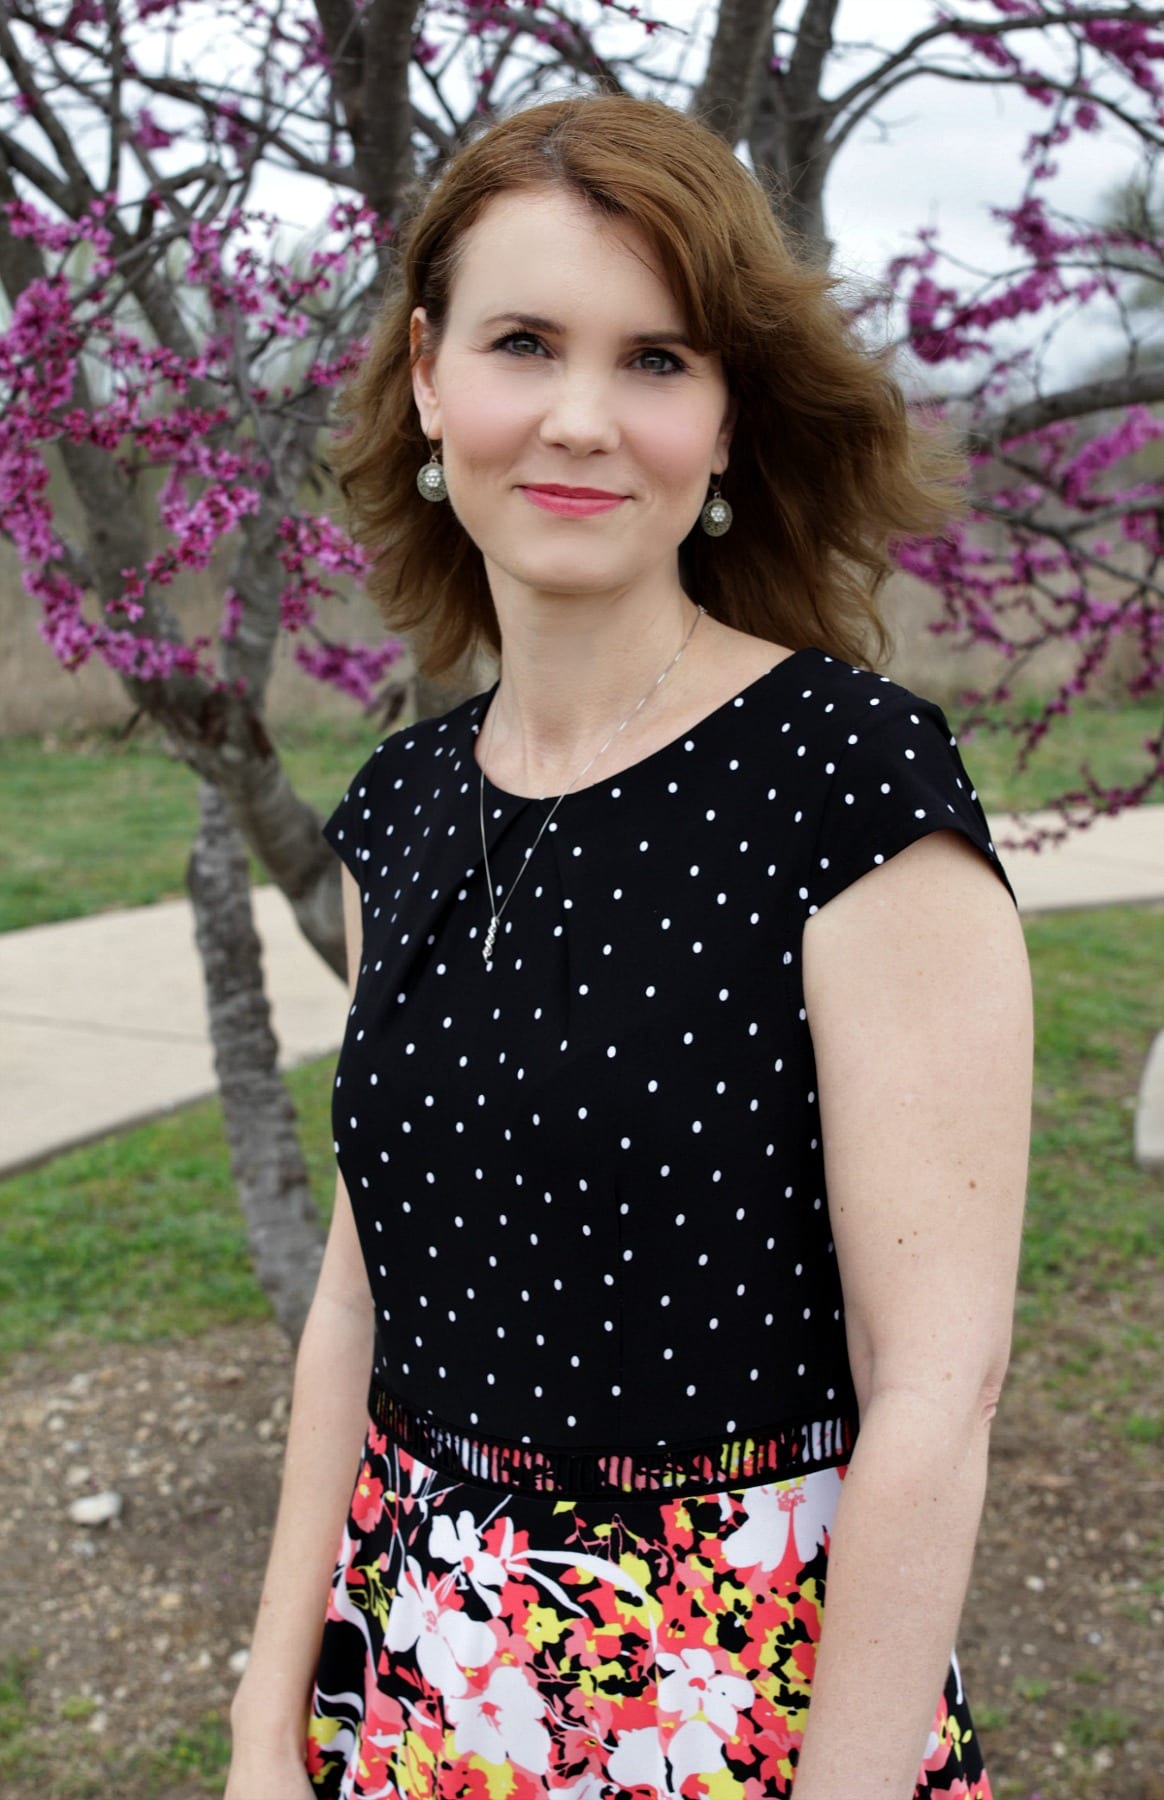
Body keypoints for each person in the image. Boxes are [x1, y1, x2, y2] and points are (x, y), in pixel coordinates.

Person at [224, 92, 1032, 1800]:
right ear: (433, 378)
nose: (583, 419)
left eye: (657, 360)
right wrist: (263, 1708)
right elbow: (364, 1294)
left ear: (728, 418)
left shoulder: (852, 784)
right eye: (526, 342)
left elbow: (935, 1392)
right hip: (405, 1684)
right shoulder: (403, 810)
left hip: (733, 1706)